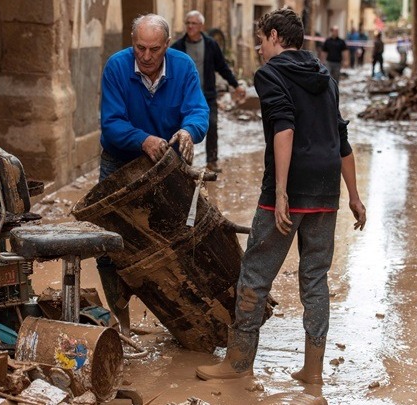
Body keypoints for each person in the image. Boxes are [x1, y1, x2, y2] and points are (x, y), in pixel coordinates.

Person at [195, 8, 366, 384]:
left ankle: (238, 363)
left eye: (260, 40)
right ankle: (313, 371)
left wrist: (282, 192)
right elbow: (341, 138)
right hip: (326, 190)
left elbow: (284, 128)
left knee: (255, 274)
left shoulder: (270, 74)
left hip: (289, 187)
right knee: (316, 278)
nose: (258, 48)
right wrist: (354, 195)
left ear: (275, 36)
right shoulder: (325, 75)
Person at [99, 13, 209, 335]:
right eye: (140, 48)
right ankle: (122, 327)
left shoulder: (184, 67)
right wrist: (142, 139)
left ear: (167, 45)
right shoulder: (117, 67)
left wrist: (189, 130)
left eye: (154, 49)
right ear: (133, 43)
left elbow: (199, 111)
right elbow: (111, 123)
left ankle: (182, 321)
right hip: (119, 162)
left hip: (168, 166)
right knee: (110, 246)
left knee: (179, 240)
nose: (146, 57)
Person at [171, 10, 246, 173]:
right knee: (182, 128)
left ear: (201, 26)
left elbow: (222, 67)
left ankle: (212, 160)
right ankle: (180, 162)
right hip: (184, 97)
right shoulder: (177, 47)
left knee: (211, 125)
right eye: (188, 23)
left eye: (193, 23)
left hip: (207, 95)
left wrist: (236, 85)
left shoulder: (211, 44)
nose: (190, 26)